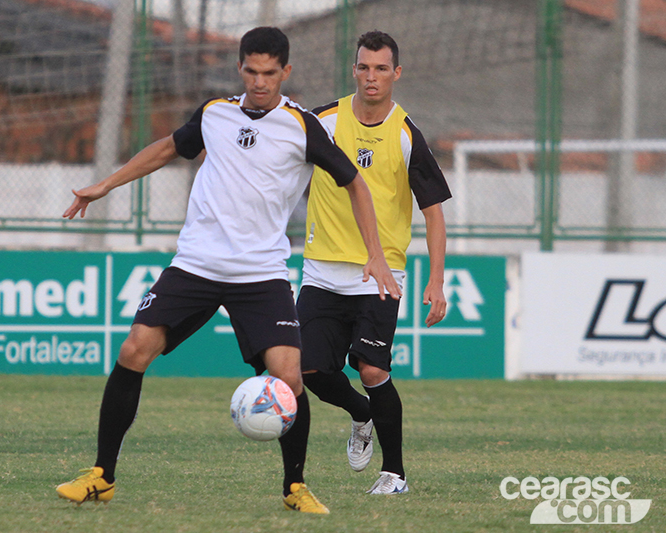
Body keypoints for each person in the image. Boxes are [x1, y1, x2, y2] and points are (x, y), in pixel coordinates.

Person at [56, 27, 400, 514]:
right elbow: (166, 148)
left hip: (259, 274)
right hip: (196, 264)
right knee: (134, 349)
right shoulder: (214, 113)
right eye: (251, 72)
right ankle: (102, 476)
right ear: (240, 68)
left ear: (285, 72)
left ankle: (295, 487)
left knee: (289, 378)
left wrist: (375, 254)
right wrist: (105, 185)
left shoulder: (302, 126)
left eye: (269, 73)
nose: (259, 82)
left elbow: (355, 184)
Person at [297, 30, 451, 495]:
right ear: (354, 70)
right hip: (322, 269)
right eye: (364, 67)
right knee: (306, 370)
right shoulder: (323, 121)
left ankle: (394, 474)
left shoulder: (406, 135)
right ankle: (361, 413)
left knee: (371, 369)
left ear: (395, 73)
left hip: (380, 274)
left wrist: (437, 281)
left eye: (381, 68)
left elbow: (434, 213)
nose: (371, 76)